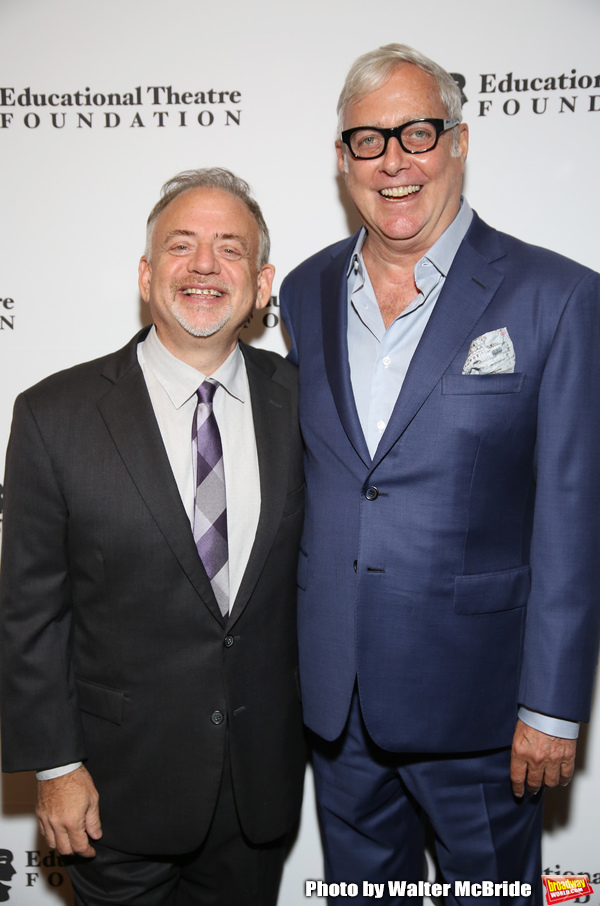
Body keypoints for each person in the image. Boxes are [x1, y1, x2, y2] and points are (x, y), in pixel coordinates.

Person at [280, 43, 600, 904]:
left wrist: (552, 708)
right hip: (338, 709)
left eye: (418, 132)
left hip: (485, 716)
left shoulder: (557, 296)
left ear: (459, 142)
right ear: (342, 159)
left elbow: (573, 514)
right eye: (368, 141)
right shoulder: (303, 293)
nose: (395, 162)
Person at [0, 168, 306, 906]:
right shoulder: (54, 414)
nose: (205, 266)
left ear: (262, 284)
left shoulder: (307, 402)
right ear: (146, 275)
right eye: (182, 245)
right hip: (113, 794)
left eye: (230, 249)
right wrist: (55, 767)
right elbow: (29, 610)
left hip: (256, 794)